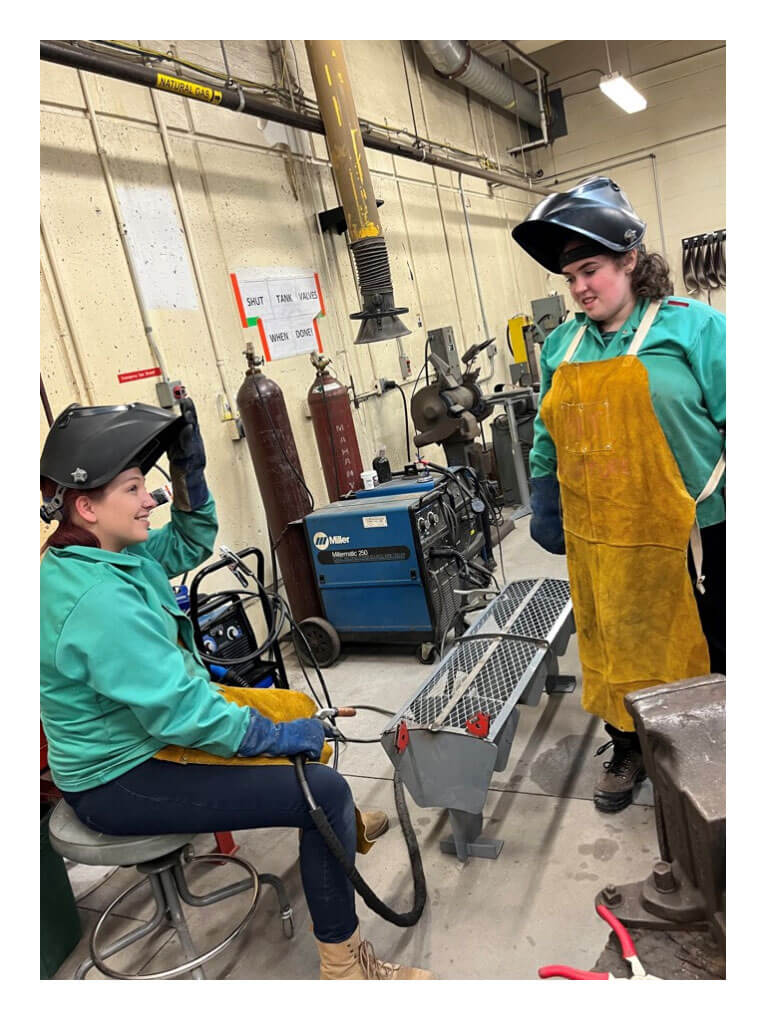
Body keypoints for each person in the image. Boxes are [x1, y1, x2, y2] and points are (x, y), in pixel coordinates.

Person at [39, 398, 432, 980]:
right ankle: (346, 966)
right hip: (120, 778)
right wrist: (276, 738)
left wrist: (188, 466)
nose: (150, 499)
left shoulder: (108, 555)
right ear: (85, 505)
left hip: (150, 732)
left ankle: (337, 826)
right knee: (321, 791)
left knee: (300, 707)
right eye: (132, 489)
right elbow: (185, 716)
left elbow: (190, 542)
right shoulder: (97, 602)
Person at [512, 177, 725, 813]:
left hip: (697, 533)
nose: (580, 287)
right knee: (615, 644)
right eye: (570, 276)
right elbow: (547, 433)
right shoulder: (562, 345)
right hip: (600, 533)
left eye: (592, 269)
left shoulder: (694, 329)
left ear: (630, 259)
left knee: (710, 645)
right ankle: (629, 744)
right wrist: (544, 496)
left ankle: (717, 757)